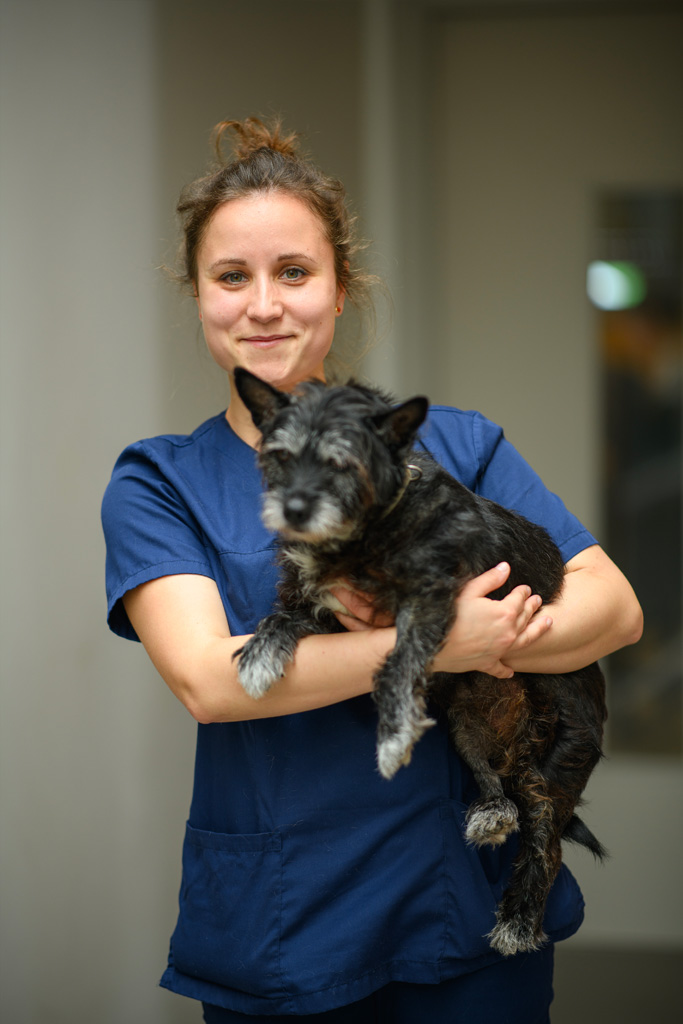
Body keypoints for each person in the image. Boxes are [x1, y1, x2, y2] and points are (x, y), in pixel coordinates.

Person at [101, 117, 643, 1023]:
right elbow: (210, 680)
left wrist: (474, 640)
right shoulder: (159, 481)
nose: (263, 306)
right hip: (287, 921)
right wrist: (441, 644)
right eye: (230, 277)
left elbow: (614, 610)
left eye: (295, 273)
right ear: (196, 294)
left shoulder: (457, 445)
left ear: (341, 289)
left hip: (461, 902)